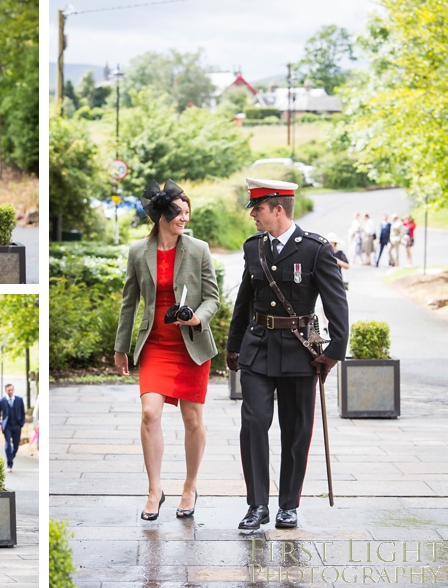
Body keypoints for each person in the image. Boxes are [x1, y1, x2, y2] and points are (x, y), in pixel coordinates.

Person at [226, 178, 349, 531]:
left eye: (258, 209)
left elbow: (336, 304)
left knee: (295, 430)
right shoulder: (254, 248)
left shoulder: (316, 249)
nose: (253, 215)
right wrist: (234, 345)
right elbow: (243, 302)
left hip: (300, 351)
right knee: (253, 424)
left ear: (278, 209)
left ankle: (288, 505)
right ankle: (257, 505)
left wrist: (333, 352)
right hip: (259, 347)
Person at [114, 178, 220, 520]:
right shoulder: (137, 252)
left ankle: (189, 487)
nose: (184, 218)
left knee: (192, 419)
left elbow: (212, 299)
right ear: (161, 214)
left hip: (190, 346)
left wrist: (196, 319)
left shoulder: (199, 249)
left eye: (188, 212)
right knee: (149, 413)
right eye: (179, 211)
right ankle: (154, 490)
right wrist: (121, 348)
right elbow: (129, 304)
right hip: (155, 345)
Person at [0, 384, 26, 473]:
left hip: (17, 425)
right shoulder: (2, 400)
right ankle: (9, 464)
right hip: (7, 425)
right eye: (9, 390)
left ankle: (11, 457)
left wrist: (22, 423)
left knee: (16, 446)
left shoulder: (19, 400)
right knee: (8, 444)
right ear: (6, 391)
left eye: (12, 390)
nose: (10, 392)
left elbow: (23, 412)